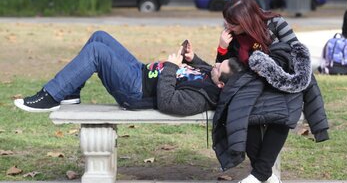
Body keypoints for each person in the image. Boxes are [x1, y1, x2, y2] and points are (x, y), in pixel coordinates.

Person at [213, 0, 329, 183]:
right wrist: (222, 47)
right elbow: (223, 68)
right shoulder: (232, 36)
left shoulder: (275, 24)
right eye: (227, 22)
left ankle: (258, 174)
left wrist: (269, 67)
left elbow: (297, 54)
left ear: (247, 20)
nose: (229, 26)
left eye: (233, 23)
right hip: (250, 85)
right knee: (243, 113)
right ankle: (266, 174)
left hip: (282, 83)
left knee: (281, 113)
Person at [14, 31, 243, 114]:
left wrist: (172, 68)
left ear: (222, 84)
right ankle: (71, 92)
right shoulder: (211, 78)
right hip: (141, 71)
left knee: (96, 52)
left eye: (218, 68)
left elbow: (167, 102)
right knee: (100, 36)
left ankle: (50, 96)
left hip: (136, 90)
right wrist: (193, 58)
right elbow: (203, 71)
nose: (215, 65)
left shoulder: (202, 98)